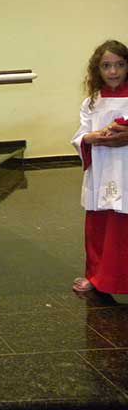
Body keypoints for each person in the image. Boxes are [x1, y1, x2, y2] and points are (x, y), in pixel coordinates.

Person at [71, 39, 128, 295]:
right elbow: (81, 135)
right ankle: (96, 276)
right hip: (102, 170)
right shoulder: (92, 102)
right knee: (99, 225)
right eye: (106, 66)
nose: (113, 71)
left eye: (120, 65)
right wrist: (91, 138)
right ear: (98, 69)